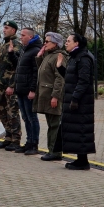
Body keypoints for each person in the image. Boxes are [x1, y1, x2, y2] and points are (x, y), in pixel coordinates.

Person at [56, 33, 96, 170]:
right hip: (76, 100)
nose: (66, 43)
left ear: (76, 43)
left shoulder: (84, 58)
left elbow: (83, 81)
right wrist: (60, 67)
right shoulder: (75, 57)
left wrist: (75, 98)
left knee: (82, 129)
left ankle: (83, 161)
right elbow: (71, 77)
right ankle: (80, 159)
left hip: (82, 103)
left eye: (68, 41)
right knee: (77, 130)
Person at [0, 20, 22, 151]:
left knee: (12, 113)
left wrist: (12, 85)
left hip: (10, 86)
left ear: (13, 30)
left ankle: (16, 140)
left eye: (6, 28)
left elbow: (18, 66)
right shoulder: (3, 46)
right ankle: (8, 138)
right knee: (3, 113)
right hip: (2, 86)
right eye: (4, 28)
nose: (4, 30)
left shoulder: (16, 45)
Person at [33, 32, 67, 161]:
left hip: (52, 96)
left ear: (56, 43)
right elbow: (44, 72)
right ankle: (52, 150)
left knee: (54, 125)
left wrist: (55, 96)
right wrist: (39, 57)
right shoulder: (49, 56)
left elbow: (60, 78)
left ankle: (55, 152)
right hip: (46, 95)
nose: (44, 43)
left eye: (47, 42)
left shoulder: (59, 56)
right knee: (51, 124)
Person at [10, 27, 42, 155]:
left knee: (32, 117)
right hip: (21, 90)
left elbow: (36, 73)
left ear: (30, 36)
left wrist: (33, 89)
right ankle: (29, 142)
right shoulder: (25, 50)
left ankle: (34, 144)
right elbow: (20, 66)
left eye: (23, 35)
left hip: (29, 90)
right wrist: (11, 54)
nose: (20, 37)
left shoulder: (35, 50)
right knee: (25, 117)